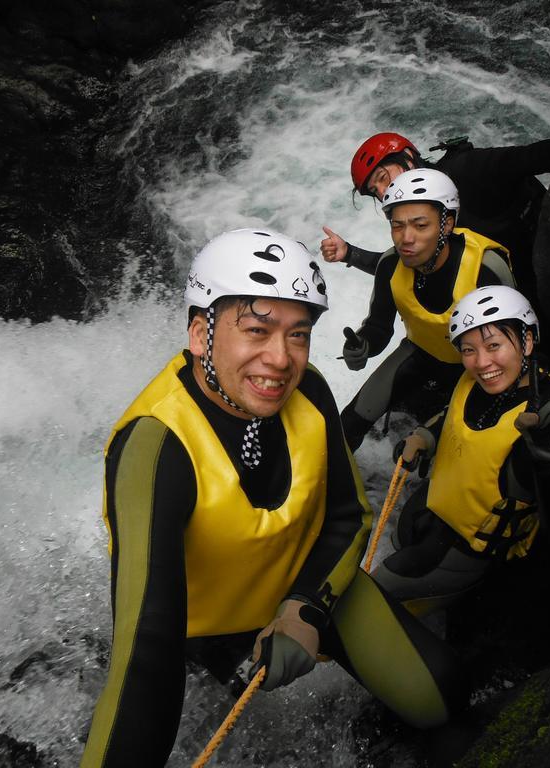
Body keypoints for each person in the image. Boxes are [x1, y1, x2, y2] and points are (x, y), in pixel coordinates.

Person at [80, 228, 465, 768]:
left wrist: (305, 607)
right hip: (203, 626)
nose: (281, 359)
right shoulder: (155, 446)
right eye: (257, 331)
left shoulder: (310, 390)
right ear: (200, 333)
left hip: (304, 582)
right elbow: (147, 647)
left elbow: (348, 517)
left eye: (298, 335)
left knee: (442, 694)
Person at [371, 285, 550, 615]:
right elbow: (454, 417)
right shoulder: (479, 381)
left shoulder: (542, 421)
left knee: (375, 589)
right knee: (404, 537)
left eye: (493, 346)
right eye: (469, 350)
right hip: (436, 508)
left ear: (527, 341)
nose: (481, 362)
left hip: (468, 550)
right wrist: (423, 438)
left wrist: (547, 459)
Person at [339, 167, 516, 452]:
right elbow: (380, 327)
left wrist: (431, 432)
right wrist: (363, 345)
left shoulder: (484, 270)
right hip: (420, 352)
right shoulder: (389, 265)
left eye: (421, 226)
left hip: (477, 366)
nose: (405, 239)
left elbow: (510, 355)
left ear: (447, 225)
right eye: (397, 226)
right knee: (346, 427)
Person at [320, 132, 550, 296]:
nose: (383, 192)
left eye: (383, 178)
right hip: (512, 292)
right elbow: (405, 263)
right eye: (375, 191)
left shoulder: (467, 169)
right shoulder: (417, 215)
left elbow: (537, 155)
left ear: (409, 158)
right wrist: (349, 254)